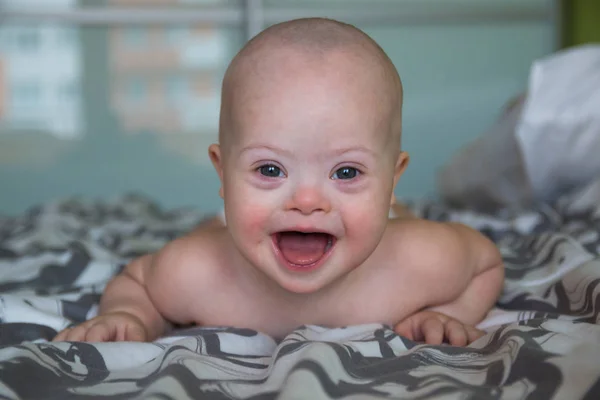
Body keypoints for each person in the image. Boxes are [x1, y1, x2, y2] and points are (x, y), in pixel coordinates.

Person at [53, 17, 504, 346]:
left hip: (378, 223)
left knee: (376, 221)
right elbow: (138, 281)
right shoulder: (199, 272)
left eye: (346, 172)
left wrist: (447, 314)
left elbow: (486, 263)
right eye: (270, 169)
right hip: (245, 230)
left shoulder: (417, 260)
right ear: (222, 174)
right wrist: (130, 314)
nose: (307, 201)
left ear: (391, 180)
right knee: (231, 228)